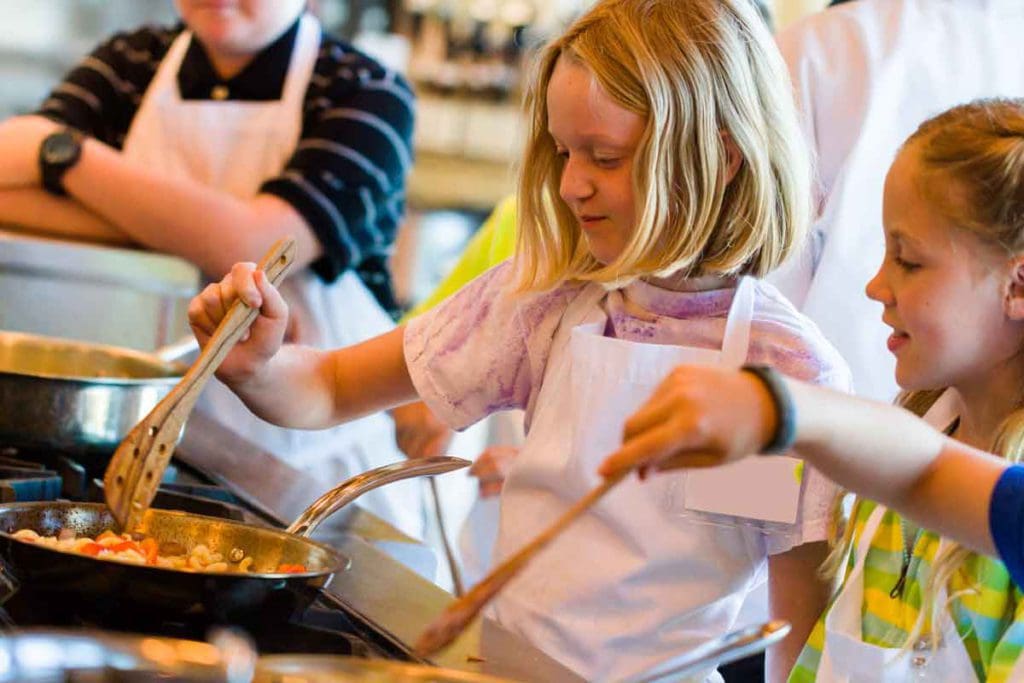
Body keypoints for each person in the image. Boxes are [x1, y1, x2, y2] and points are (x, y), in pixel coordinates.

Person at [187, 0, 852, 680]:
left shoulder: (780, 375)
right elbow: (329, 388)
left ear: (722, 155)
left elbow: (797, 626)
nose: (570, 184)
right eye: (563, 152)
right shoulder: (547, 300)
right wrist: (259, 365)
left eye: (605, 155)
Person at [604, 99, 1024, 682]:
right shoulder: (910, 450)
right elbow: (914, 469)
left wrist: (779, 407)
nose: (877, 285)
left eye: (909, 261)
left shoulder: (798, 360)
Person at [0, 1, 424, 538]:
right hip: (156, 452)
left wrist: (65, 155)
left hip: (314, 477)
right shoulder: (131, 62)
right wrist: (206, 233)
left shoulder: (366, 93)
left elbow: (255, 241)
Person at [769, 0, 1024, 402]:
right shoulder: (824, 50)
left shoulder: (825, 49)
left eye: (908, 260)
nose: (877, 286)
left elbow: (761, 289)